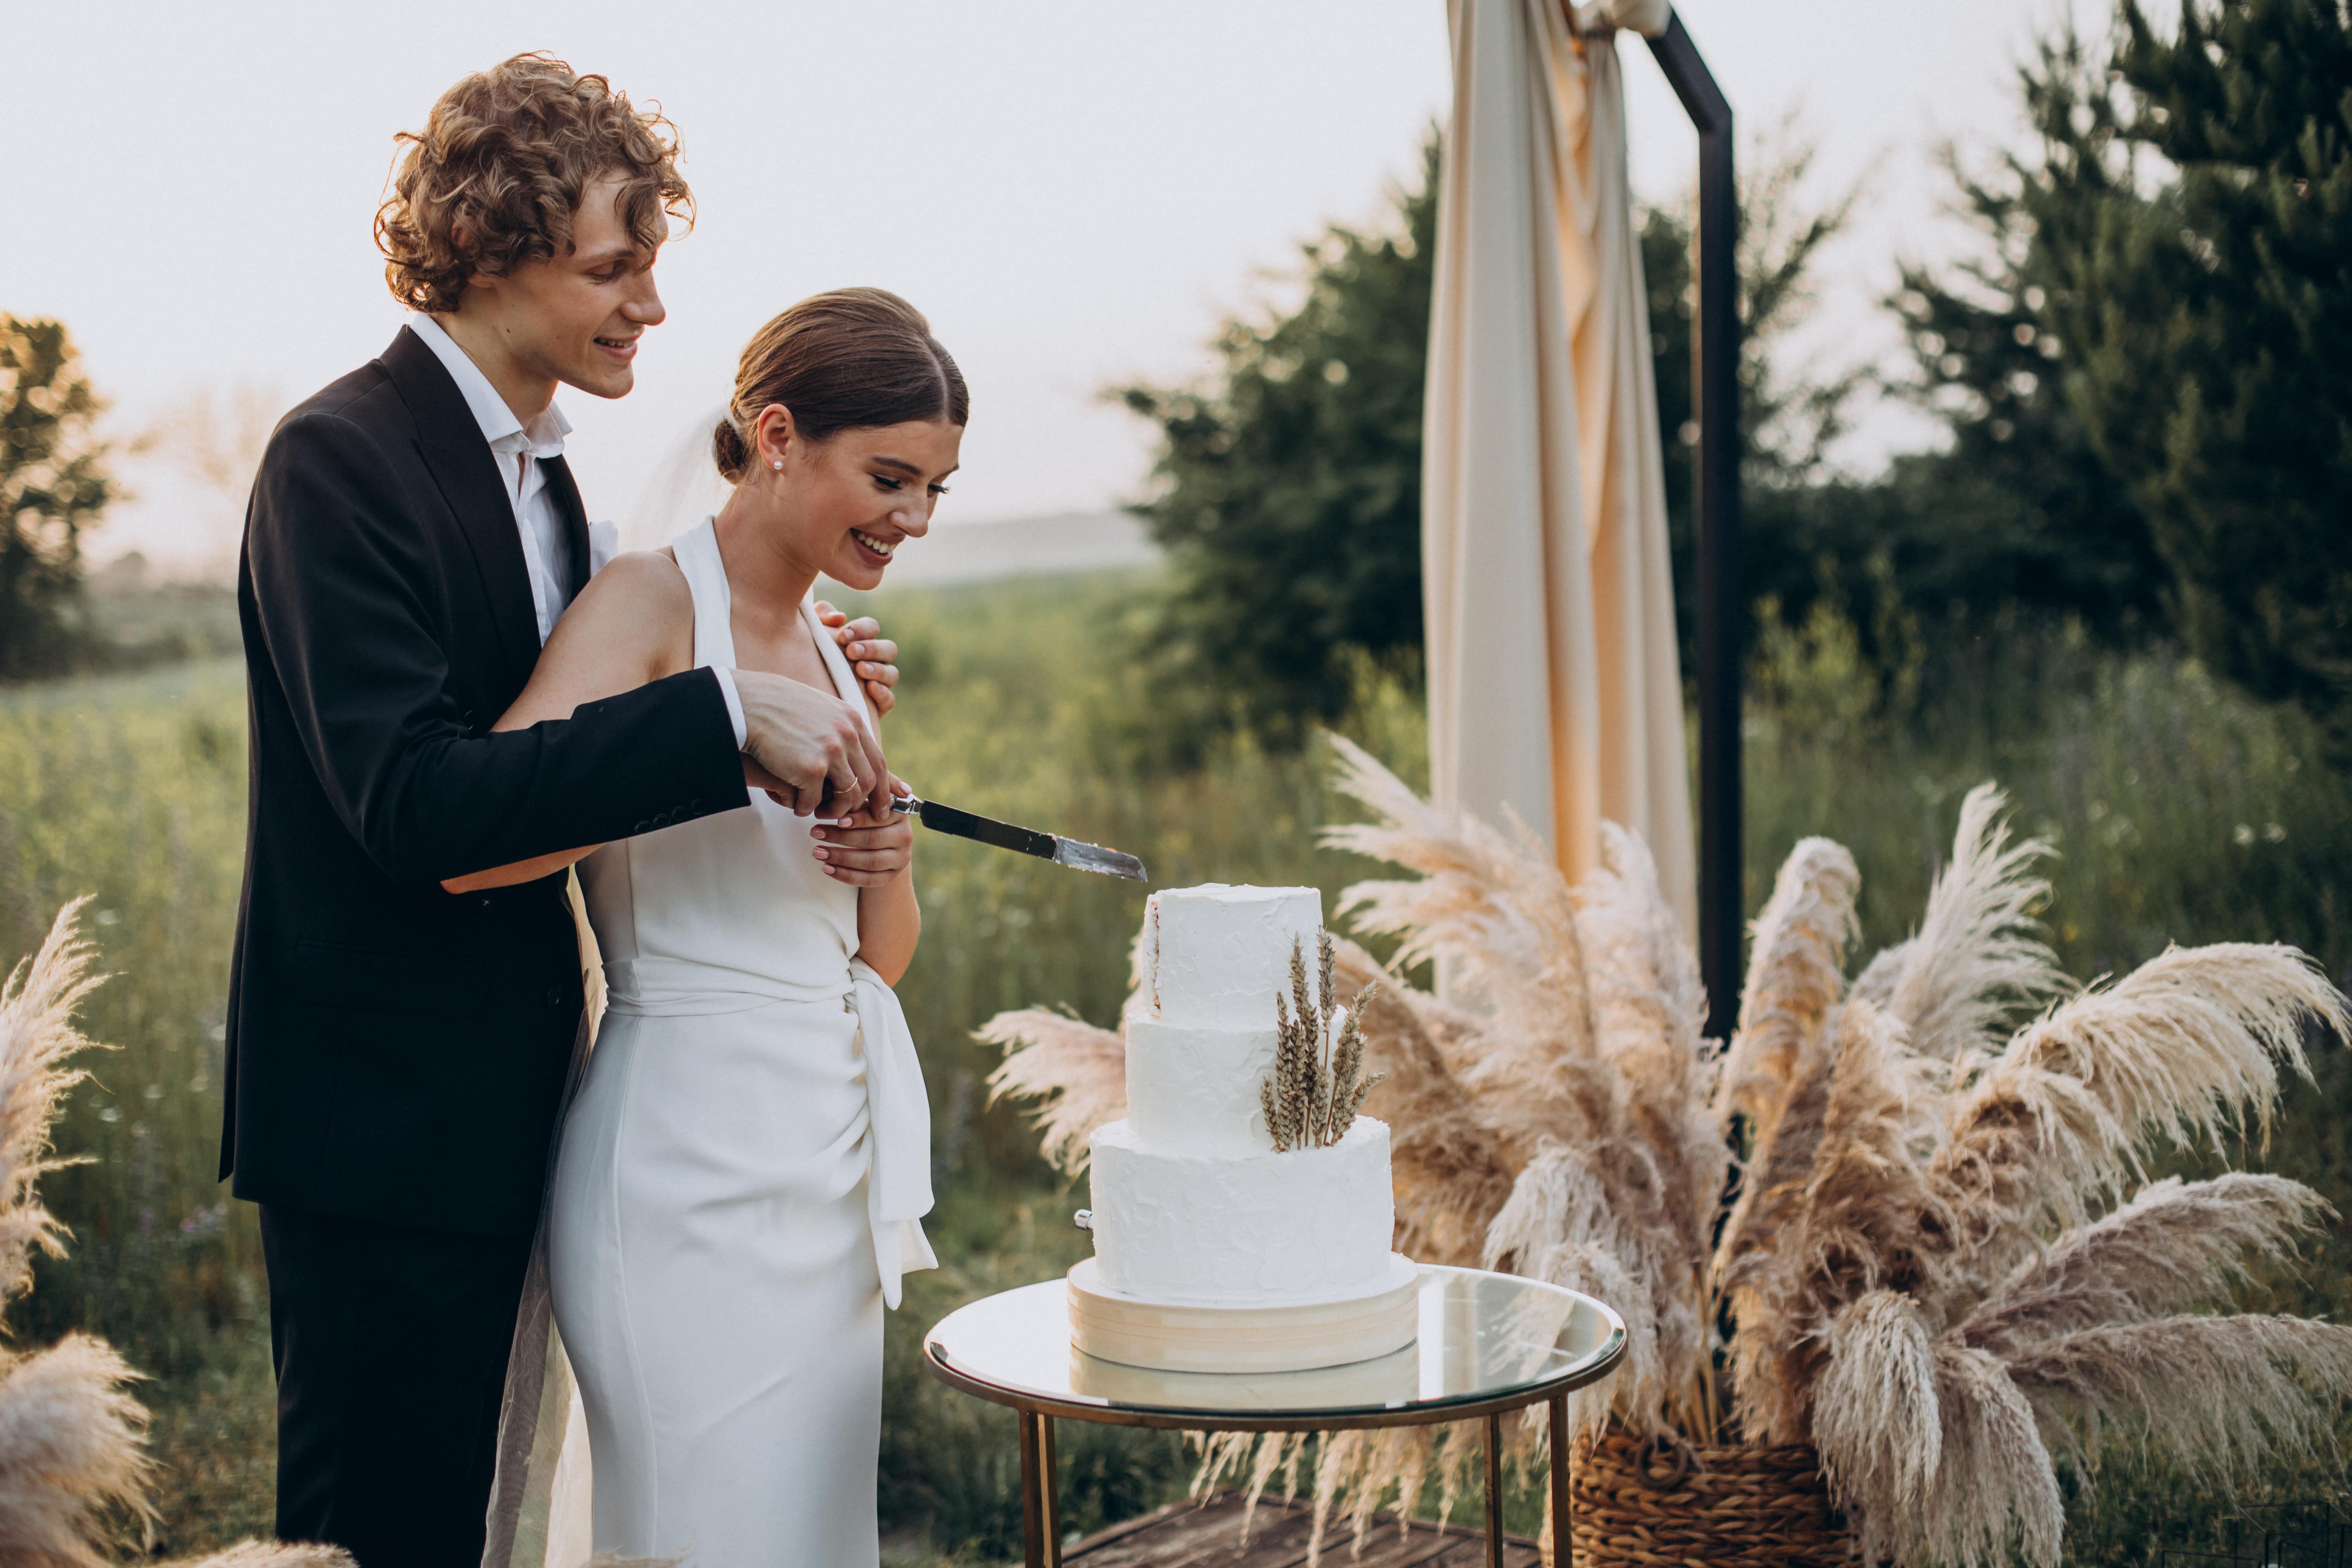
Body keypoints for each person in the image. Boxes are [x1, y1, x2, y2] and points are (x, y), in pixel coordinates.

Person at [224, 56, 904, 1567]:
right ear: (487, 248)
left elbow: (576, 736)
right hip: (382, 1131)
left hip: (541, 1108)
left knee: (485, 1530)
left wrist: (790, 662)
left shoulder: (550, 489)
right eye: (613, 267)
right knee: (381, 1540)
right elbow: (412, 805)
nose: (651, 308)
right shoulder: (339, 460)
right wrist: (721, 718)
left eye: (651, 267)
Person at [450, 288, 959, 1564]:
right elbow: (489, 838)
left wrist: (886, 859)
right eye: (890, 476)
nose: (913, 518)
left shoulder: (839, 657)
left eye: (937, 488)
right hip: (682, 1169)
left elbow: (872, 961)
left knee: (809, 1535)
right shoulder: (643, 601)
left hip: (826, 1158)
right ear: (777, 435)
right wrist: (714, 723)